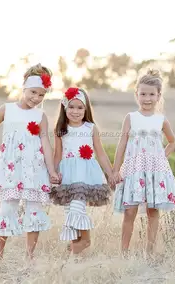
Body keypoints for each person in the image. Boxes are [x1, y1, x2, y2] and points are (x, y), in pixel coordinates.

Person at [0, 63, 59, 260]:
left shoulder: (40, 116)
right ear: (24, 87)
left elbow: (45, 144)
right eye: (33, 92)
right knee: (7, 208)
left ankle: (30, 256)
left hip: (35, 169)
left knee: (34, 209)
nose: (36, 98)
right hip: (11, 169)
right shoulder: (6, 109)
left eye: (41, 95)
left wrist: (51, 171)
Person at [113, 69, 175, 256]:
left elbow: (173, 141)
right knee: (129, 212)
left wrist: (161, 157)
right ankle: (124, 253)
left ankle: (149, 252)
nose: (147, 98)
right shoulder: (131, 118)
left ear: (158, 96)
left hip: (154, 172)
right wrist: (115, 170)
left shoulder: (161, 120)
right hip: (133, 170)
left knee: (153, 211)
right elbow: (122, 144)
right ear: (137, 95)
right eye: (143, 94)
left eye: (152, 94)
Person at [50, 87, 113, 254]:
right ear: (64, 108)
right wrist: (53, 173)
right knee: (71, 211)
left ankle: (84, 242)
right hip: (68, 176)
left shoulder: (90, 128)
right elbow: (57, 154)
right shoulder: (60, 130)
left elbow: (100, 153)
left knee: (77, 208)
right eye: (71, 107)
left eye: (80, 107)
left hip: (85, 175)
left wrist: (111, 172)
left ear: (86, 109)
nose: (75, 111)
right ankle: (73, 253)